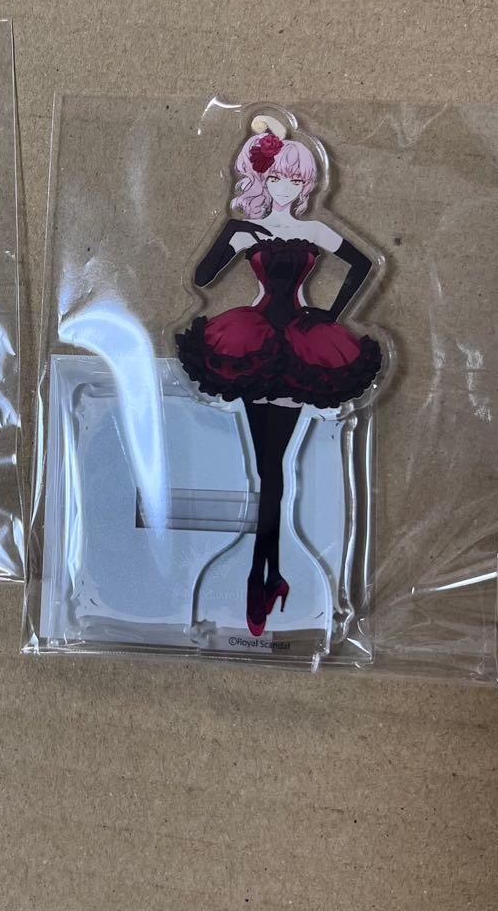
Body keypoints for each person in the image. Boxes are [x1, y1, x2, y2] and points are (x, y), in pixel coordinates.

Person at [176, 116, 382, 636]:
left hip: (298, 344)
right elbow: (202, 277)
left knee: (276, 466)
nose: (285, 187)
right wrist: (234, 235)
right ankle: (267, 577)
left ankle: (262, 578)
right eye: (275, 177)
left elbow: (362, 266)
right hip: (253, 339)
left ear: (306, 184)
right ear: (260, 180)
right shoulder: (248, 230)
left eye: (294, 179)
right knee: (267, 466)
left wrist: (330, 314)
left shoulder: (314, 231)